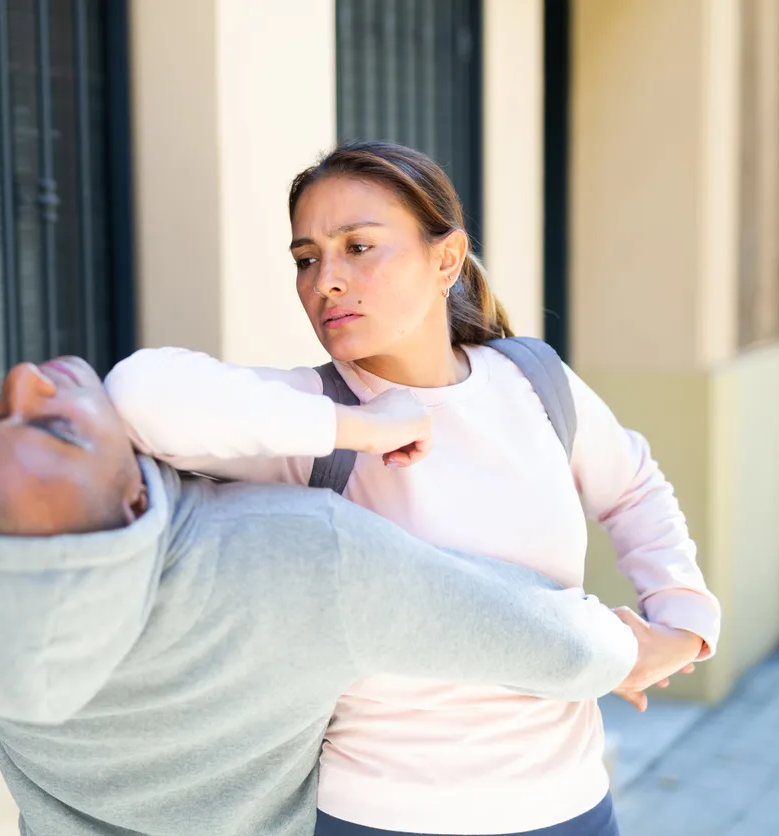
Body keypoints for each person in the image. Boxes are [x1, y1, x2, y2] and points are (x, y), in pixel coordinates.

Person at [0, 61, 656, 836]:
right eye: (52, 426)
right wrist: (642, 648)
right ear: (134, 498)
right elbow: (539, 633)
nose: (21, 382)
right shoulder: (283, 557)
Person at [104, 142, 721, 836]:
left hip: (570, 807)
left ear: (446, 259)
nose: (325, 282)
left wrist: (684, 622)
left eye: (358, 247)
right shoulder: (316, 420)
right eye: (306, 258)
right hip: (378, 816)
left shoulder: (531, 382)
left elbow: (633, 485)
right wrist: (363, 427)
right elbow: (135, 396)